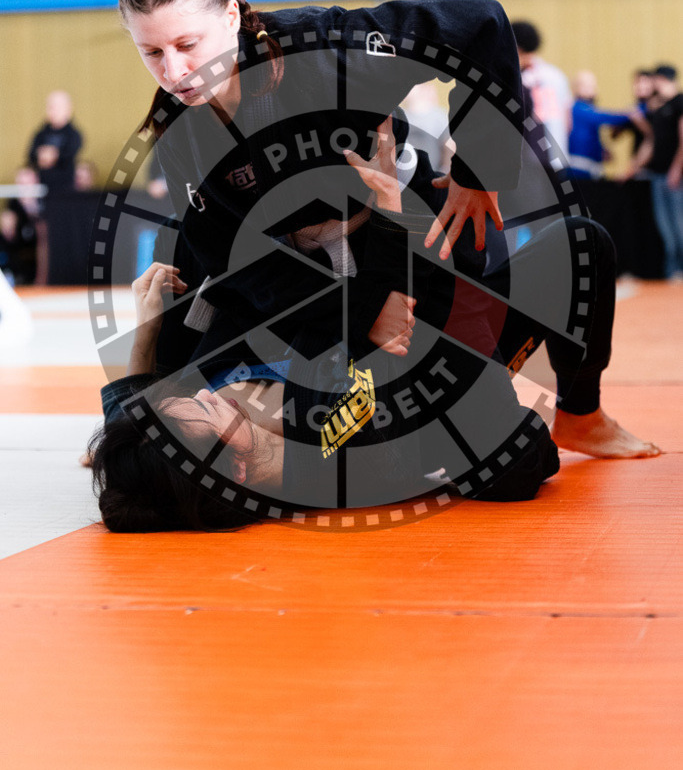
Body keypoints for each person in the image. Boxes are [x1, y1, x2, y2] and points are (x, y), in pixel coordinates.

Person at [89, 119, 659, 533]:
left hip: (350, 286)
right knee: (583, 246)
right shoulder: (345, 437)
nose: (206, 396)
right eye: (208, 412)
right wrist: (393, 214)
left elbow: (129, 425)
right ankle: (579, 414)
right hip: (440, 325)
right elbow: (515, 458)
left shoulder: (182, 439)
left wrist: (143, 335)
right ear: (237, 465)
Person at [624, 64, 683, 280]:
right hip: (658, 173)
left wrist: (676, 170)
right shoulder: (658, 106)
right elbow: (652, 141)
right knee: (665, 226)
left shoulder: (679, 103)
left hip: (674, 174)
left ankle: (679, 267)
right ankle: (672, 270)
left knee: (678, 223)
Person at [511, 20, 572, 157]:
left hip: (529, 153)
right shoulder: (556, 75)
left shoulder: (519, 78)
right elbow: (568, 121)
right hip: (557, 151)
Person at [27, 90, 83, 192]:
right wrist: (41, 155)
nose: (53, 111)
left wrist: (53, 155)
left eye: (57, 107)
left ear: (68, 109)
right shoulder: (41, 133)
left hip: (64, 187)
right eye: (50, 107)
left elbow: (69, 154)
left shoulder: (73, 134)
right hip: (42, 186)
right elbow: (31, 155)